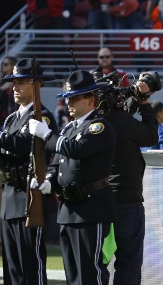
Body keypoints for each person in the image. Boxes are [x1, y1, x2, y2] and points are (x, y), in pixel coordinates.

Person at [0, 59, 57, 285]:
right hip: (10, 195)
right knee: (12, 267)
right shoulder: (11, 118)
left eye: (21, 82)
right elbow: (7, 152)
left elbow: (23, 145)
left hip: (30, 198)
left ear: (37, 84)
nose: (15, 87)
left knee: (31, 265)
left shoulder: (42, 117)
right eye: (13, 82)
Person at [27, 70, 117, 285]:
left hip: (91, 209)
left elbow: (76, 149)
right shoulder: (69, 128)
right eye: (67, 98)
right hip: (68, 210)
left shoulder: (98, 126)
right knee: (73, 274)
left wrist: (46, 134)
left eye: (75, 98)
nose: (69, 103)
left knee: (90, 273)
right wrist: (49, 180)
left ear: (90, 99)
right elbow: (57, 162)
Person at [99, 78, 158, 285]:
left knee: (99, 263)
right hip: (127, 201)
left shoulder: (94, 122)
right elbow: (150, 136)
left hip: (101, 203)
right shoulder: (122, 121)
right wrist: (143, 104)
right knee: (129, 263)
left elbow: (121, 119)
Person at [0, 56, 18, 127]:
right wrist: (2, 88)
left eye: (6, 64)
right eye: (2, 64)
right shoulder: (1, 81)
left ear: (13, 66)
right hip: (0, 115)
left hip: (12, 114)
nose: (3, 66)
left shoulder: (17, 80)